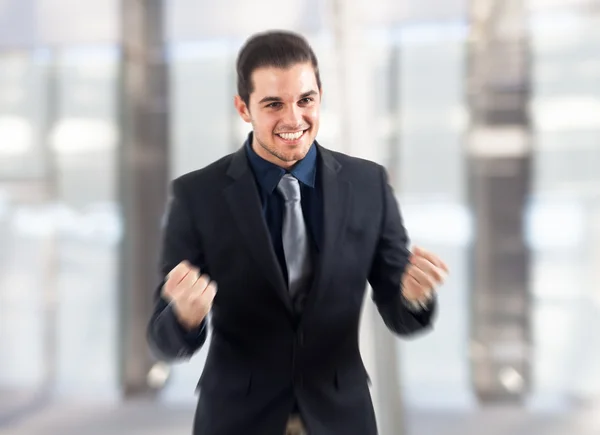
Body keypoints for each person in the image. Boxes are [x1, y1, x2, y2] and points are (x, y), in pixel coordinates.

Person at [147, 30, 449, 435]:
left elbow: (400, 314)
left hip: (341, 417)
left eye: (305, 100)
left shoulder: (368, 185)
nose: (293, 119)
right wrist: (184, 315)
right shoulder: (197, 195)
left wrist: (412, 297)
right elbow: (163, 339)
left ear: (319, 97)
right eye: (273, 104)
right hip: (237, 419)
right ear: (244, 108)